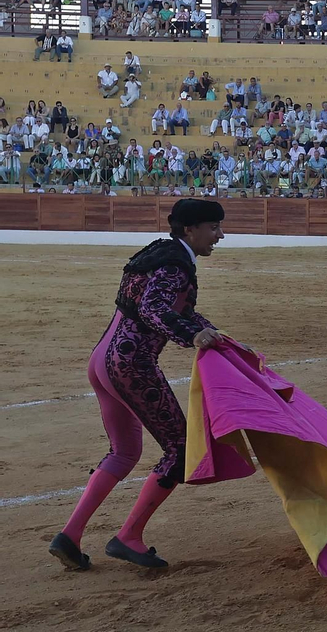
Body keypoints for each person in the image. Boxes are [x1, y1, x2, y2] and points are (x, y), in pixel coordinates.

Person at [50, 199, 244, 572]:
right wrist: (195, 336)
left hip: (102, 361)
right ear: (190, 230)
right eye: (214, 227)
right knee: (181, 448)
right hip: (131, 364)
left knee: (124, 452)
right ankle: (128, 536)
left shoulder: (160, 252)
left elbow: (179, 311)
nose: (220, 235)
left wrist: (217, 335)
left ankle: (69, 536)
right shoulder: (175, 262)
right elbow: (156, 310)